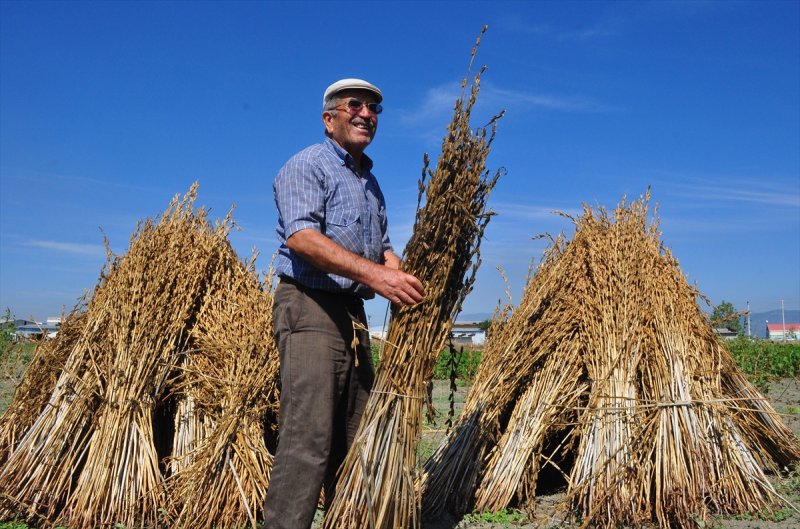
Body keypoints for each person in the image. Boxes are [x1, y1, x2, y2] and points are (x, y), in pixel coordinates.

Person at [263, 78, 425, 529]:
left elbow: (383, 250)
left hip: (351, 314)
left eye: (374, 108)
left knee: (356, 433)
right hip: (310, 305)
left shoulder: (369, 183)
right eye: (355, 105)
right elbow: (302, 237)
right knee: (308, 438)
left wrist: (405, 277)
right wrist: (376, 276)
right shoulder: (307, 165)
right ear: (328, 118)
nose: (366, 114)